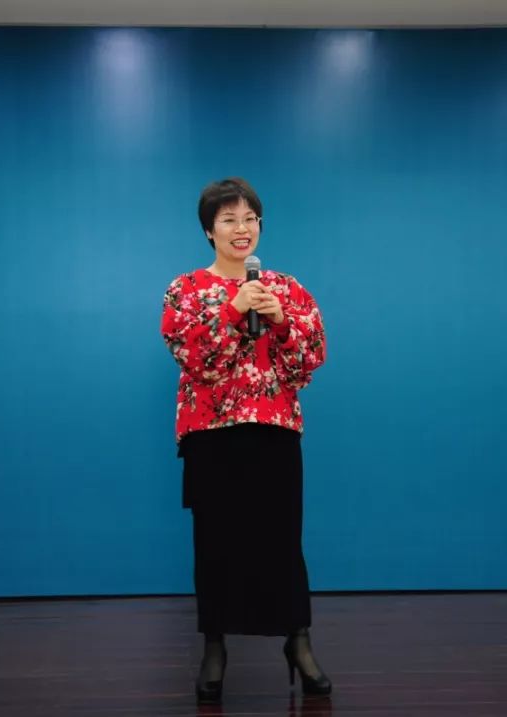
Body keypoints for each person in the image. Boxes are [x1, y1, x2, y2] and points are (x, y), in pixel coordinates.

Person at [160, 177, 332, 703]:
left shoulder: (287, 288)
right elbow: (195, 357)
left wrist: (281, 323)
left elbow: (308, 361)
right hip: (211, 435)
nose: (242, 228)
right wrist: (234, 310)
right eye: (229, 219)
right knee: (215, 542)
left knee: (282, 540)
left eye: (250, 218)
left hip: (274, 429)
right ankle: (214, 645)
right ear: (209, 231)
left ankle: (298, 641)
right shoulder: (186, 290)